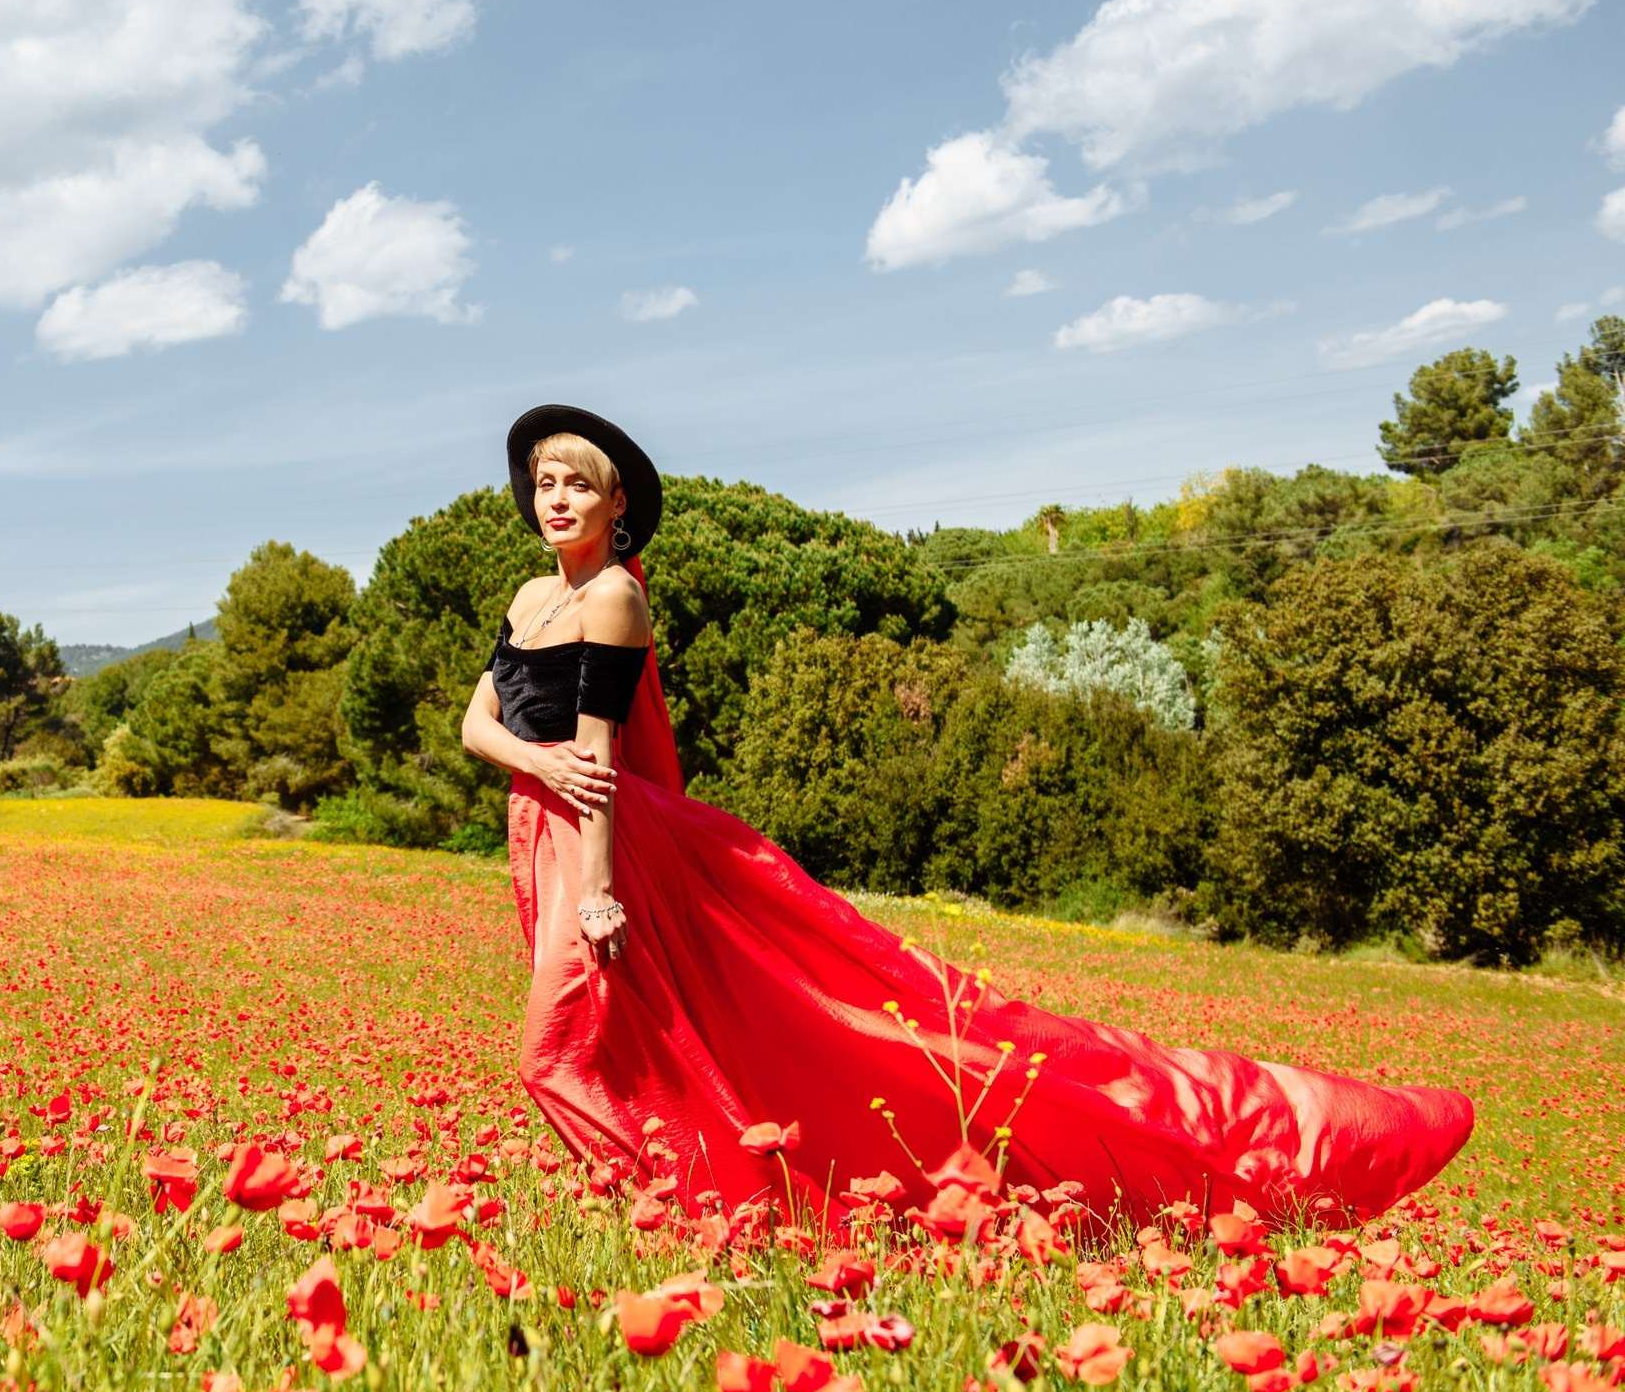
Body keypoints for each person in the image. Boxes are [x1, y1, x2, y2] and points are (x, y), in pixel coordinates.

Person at [461, 404, 1473, 1229]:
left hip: (606, 844)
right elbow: (478, 720)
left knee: (561, 1045)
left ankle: (682, 1199)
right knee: (628, 1035)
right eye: (546, 483)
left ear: (614, 500)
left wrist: (596, 887)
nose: (558, 499)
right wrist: (526, 760)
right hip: (537, 827)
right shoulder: (525, 597)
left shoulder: (613, 603)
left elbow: (596, 764)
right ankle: (674, 1194)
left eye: (578, 483)